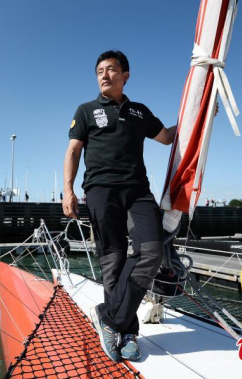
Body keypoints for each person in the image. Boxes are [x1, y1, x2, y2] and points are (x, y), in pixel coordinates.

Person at [62, 50, 176, 362]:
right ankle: (127, 332)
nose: (104, 75)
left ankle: (109, 318)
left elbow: (166, 137)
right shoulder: (86, 110)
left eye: (111, 69)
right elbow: (73, 151)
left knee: (151, 253)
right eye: (100, 70)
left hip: (138, 191)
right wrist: (67, 191)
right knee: (112, 261)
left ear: (125, 75)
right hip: (100, 190)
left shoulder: (139, 112)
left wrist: (199, 116)